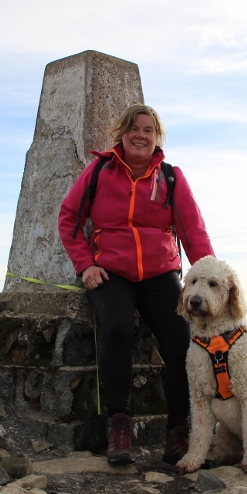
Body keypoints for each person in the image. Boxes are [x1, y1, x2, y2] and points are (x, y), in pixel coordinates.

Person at [58, 103, 215, 465]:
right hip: (111, 272)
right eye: (134, 129)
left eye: (148, 130)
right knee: (116, 329)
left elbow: (193, 232)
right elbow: (68, 218)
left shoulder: (171, 178)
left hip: (161, 273)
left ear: (157, 137)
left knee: (179, 343)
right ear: (122, 134)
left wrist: (208, 280)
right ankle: (119, 426)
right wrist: (85, 265)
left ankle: (178, 432)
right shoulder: (98, 172)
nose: (141, 135)